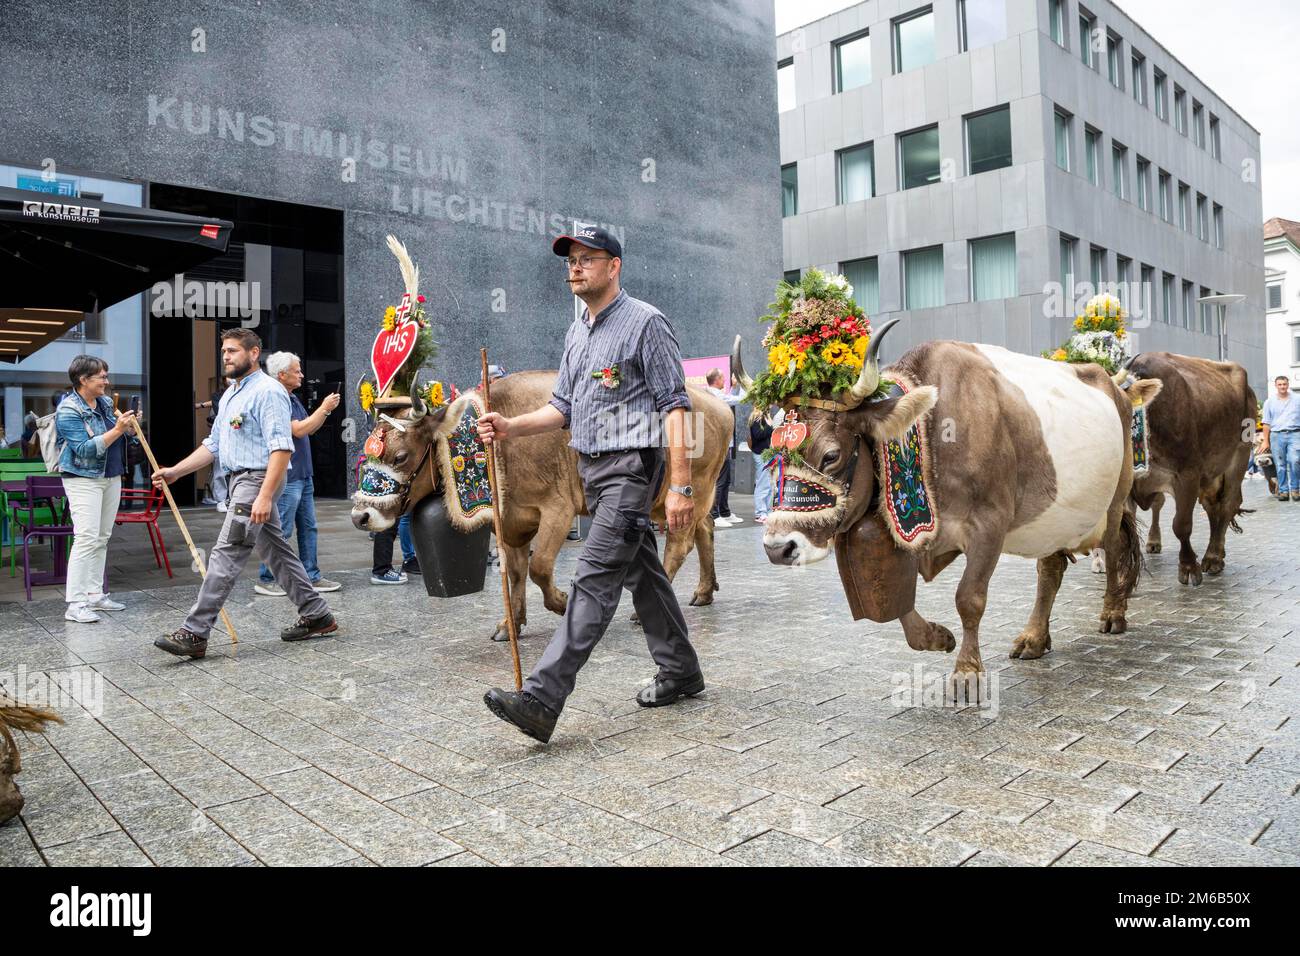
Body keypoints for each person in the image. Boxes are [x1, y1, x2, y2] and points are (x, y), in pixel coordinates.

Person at [477, 226, 704, 743]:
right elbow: (563, 408)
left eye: (587, 259)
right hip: (593, 473)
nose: (575, 268)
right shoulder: (577, 329)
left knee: (594, 579)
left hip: (632, 470)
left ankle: (542, 698)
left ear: (614, 266)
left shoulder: (646, 323)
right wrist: (511, 427)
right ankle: (682, 670)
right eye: (571, 260)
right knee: (643, 576)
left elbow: (677, 407)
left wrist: (681, 487)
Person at [150, 329, 337, 658]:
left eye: (233, 350)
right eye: (224, 350)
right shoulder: (230, 395)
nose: (225, 356)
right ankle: (317, 613)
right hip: (239, 481)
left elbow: (281, 448)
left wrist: (264, 496)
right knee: (276, 552)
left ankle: (195, 633)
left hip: (257, 480)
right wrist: (176, 471)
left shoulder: (269, 392)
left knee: (227, 551)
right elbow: (214, 445)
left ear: (254, 354)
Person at [55, 356, 138, 623]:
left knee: (102, 536)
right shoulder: (68, 409)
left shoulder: (103, 402)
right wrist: (118, 429)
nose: (106, 381)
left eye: (106, 375)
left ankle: (95, 594)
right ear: (83, 380)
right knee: (86, 537)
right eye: (101, 376)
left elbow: (121, 434)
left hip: (111, 475)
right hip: (83, 478)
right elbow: (84, 449)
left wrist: (129, 428)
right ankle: (75, 603)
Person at [253, 352, 342, 596]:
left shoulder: (292, 398)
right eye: (297, 370)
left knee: (308, 527)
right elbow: (300, 430)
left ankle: (311, 576)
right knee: (280, 530)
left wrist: (324, 411)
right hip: (288, 476)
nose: (302, 374)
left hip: (303, 474)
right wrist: (324, 408)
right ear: (282, 375)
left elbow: (307, 430)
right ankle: (267, 577)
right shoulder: (277, 398)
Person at [705, 368, 741, 527]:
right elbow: (738, 399)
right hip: (718, 445)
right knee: (719, 481)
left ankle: (724, 512)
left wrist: (734, 387)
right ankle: (714, 514)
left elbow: (730, 398)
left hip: (723, 444)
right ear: (717, 380)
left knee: (725, 480)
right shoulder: (715, 395)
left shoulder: (714, 394)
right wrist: (742, 383)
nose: (725, 381)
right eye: (723, 378)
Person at [1262, 375, 1300, 502]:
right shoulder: (1269, 402)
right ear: (1276, 386)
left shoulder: (1297, 399)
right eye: (1280, 384)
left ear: (1288, 385)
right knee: (1280, 464)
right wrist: (1265, 441)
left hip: (1295, 434)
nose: (1282, 386)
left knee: (1295, 461)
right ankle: (1283, 491)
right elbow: (1266, 423)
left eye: (1284, 384)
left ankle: (1295, 489)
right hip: (1276, 435)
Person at [750, 406, 776, 523]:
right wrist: (770, 426)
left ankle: (768, 511)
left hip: (768, 454)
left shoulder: (765, 417)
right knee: (763, 484)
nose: (770, 405)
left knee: (769, 485)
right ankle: (760, 513)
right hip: (761, 455)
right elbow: (758, 435)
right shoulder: (756, 418)